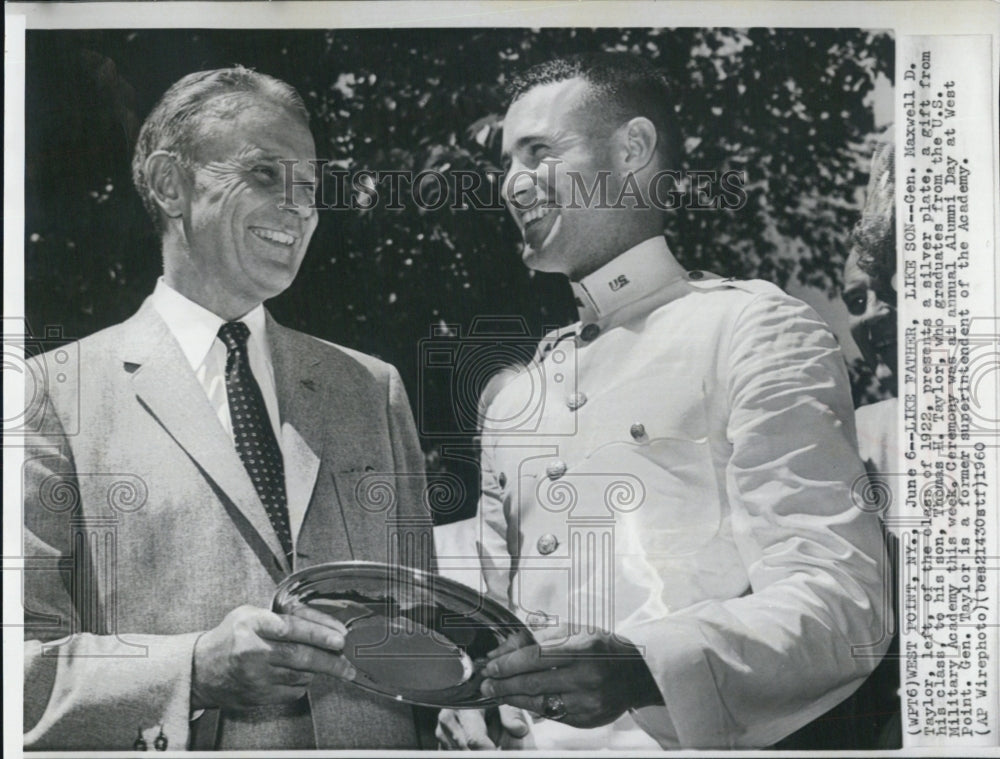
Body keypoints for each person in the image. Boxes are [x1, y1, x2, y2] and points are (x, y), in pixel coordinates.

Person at [436, 53, 890, 749]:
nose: (512, 185)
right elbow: (501, 630)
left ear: (634, 149)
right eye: (506, 163)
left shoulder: (751, 328)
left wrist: (643, 666)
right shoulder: (515, 397)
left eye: (538, 152)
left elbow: (843, 604)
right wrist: (473, 694)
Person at [22, 67, 434, 750]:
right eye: (266, 175)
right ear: (169, 184)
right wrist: (192, 671)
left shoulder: (373, 387)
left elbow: (427, 639)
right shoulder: (50, 393)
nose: (300, 209)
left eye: (310, 189)